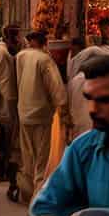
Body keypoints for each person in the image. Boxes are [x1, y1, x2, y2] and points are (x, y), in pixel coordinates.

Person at [29, 54, 109, 216]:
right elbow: (45, 205)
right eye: (88, 98)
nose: (92, 109)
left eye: (105, 100)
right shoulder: (82, 149)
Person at [16, 30, 70, 198]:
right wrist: (64, 112)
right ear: (44, 43)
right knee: (41, 160)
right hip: (41, 115)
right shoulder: (45, 60)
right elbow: (57, 88)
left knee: (28, 156)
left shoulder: (21, 57)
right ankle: (36, 196)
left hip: (24, 113)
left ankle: (26, 191)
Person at [0, 24, 22, 200]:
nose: (19, 42)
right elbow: (3, 81)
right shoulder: (1, 52)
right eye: (17, 38)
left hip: (7, 104)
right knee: (9, 145)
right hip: (7, 105)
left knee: (8, 144)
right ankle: (10, 181)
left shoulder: (1, 50)